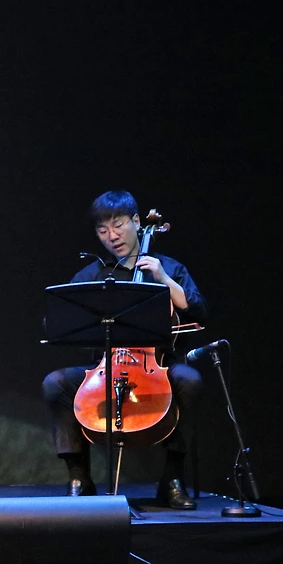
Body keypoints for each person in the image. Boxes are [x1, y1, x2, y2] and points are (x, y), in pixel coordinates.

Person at [41, 190, 207, 507]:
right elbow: (57, 320)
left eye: (118, 226)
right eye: (102, 230)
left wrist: (161, 277)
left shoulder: (169, 268)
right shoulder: (94, 274)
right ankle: (79, 477)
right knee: (55, 383)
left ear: (136, 222)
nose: (112, 236)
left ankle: (172, 479)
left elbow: (198, 311)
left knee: (190, 380)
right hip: (105, 368)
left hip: (159, 367)